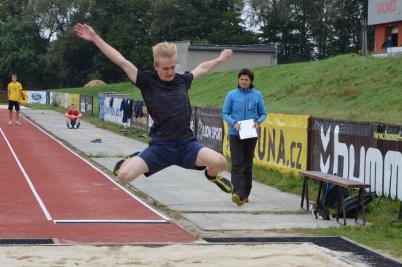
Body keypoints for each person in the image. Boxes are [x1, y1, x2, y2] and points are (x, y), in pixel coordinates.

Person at [74, 23, 234, 194]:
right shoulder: (146, 81)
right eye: (166, 68)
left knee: (221, 162)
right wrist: (95, 38)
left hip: (186, 145)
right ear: (156, 66)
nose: (170, 71)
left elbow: (201, 68)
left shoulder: (182, 80)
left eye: (173, 67)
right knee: (123, 176)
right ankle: (136, 157)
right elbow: (121, 61)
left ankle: (211, 176)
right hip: (161, 147)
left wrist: (219, 59)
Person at [222, 69, 267, 206]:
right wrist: (233, 123)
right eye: (241, 79)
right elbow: (225, 113)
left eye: (246, 79)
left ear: (251, 81)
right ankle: (237, 193)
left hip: (250, 134)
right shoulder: (232, 95)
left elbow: (263, 113)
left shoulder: (257, 95)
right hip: (235, 133)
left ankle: (246, 193)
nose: (243, 81)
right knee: (237, 163)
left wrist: (257, 122)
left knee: (247, 164)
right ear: (238, 80)